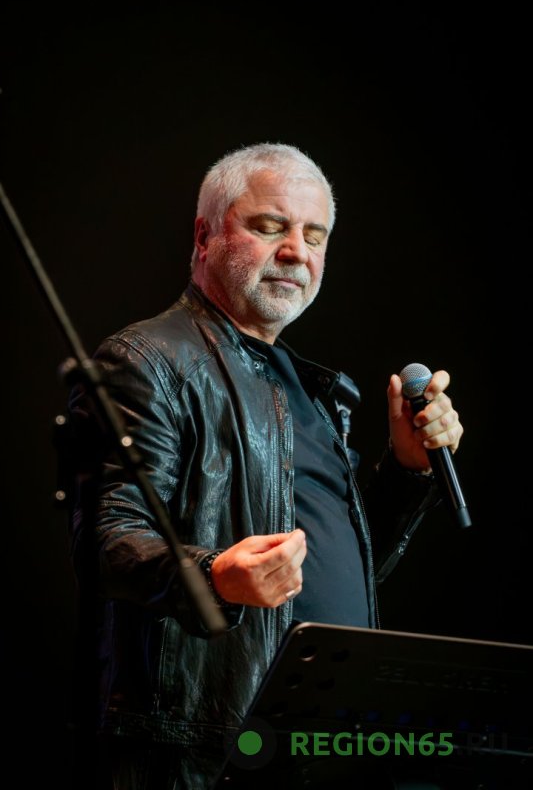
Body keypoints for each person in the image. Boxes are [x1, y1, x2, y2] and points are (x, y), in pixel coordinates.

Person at [68, 142, 463, 789]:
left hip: (321, 744)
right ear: (204, 236)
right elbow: (107, 540)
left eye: (315, 235)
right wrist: (212, 576)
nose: (296, 252)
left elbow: (340, 564)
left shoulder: (310, 390)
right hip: (209, 754)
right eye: (270, 226)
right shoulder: (146, 361)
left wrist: (406, 469)